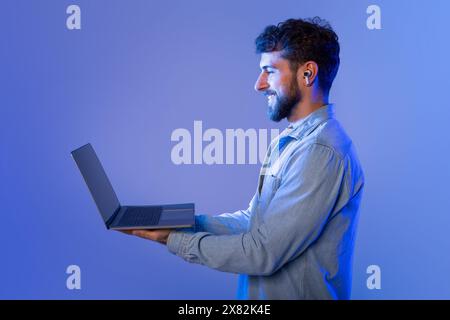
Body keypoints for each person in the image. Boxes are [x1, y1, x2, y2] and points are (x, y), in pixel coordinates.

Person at [122, 17, 365, 300]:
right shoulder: (292, 142)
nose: (258, 85)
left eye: (269, 71)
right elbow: (255, 222)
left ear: (308, 74)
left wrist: (176, 240)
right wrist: (185, 223)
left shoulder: (321, 152)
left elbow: (263, 252)